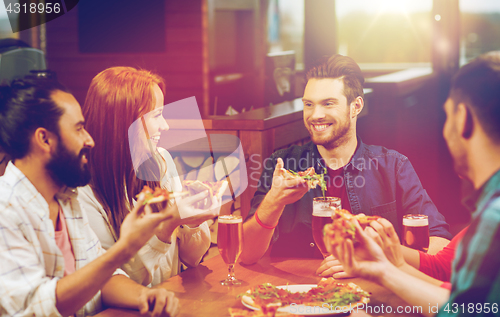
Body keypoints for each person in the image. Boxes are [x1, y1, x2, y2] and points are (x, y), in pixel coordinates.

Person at [327, 51, 500, 317]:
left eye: (447, 117)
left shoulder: (494, 218)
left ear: (463, 119)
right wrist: (388, 266)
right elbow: (468, 302)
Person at [240, 54, 451, 264]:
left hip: (371, 293)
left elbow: (440, 242)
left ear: (356, 106)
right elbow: (246, 255)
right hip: (299, 293)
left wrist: (375, 263)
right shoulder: (283, 165)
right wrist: (274, 201)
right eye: (309, 104)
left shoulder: (393, 166)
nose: (315, 115)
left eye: (328, 103)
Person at [0, 76, 179, 316]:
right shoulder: (6, 208)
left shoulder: (65, 199)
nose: (90, 140)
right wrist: (124, 248)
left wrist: (144, 295)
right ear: (45, 139)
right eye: (78, 129)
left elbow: (102, 277)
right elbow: (35, 306)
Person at [79, 67, 214, 286]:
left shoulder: (161, 160)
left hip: (171, 301)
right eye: (157, 115)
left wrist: (193, 221)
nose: (166, 126)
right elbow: (113, 283)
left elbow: (192, 258)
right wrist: (168, 224)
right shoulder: (83, 192)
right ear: (123, 122)